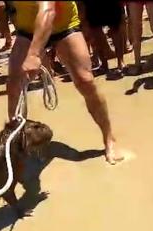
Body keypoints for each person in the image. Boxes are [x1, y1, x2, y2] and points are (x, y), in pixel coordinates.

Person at [7, 1, 124, 165]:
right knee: (13, 84)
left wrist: (33, 54)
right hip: (27, 28)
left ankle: (109, 138)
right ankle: (15, 145)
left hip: (63, 24)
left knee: (85, 81)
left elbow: (48, 11)